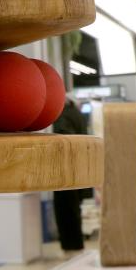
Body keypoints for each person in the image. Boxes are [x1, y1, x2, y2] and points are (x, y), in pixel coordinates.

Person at [52, 97, 89, 254]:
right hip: (78, 168)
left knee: (65, 210)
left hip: (64, 170)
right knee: (74, 209)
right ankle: (76, 244)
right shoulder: (77, 114)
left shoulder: (62, 115)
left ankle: (70, 246)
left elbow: (64, 138)